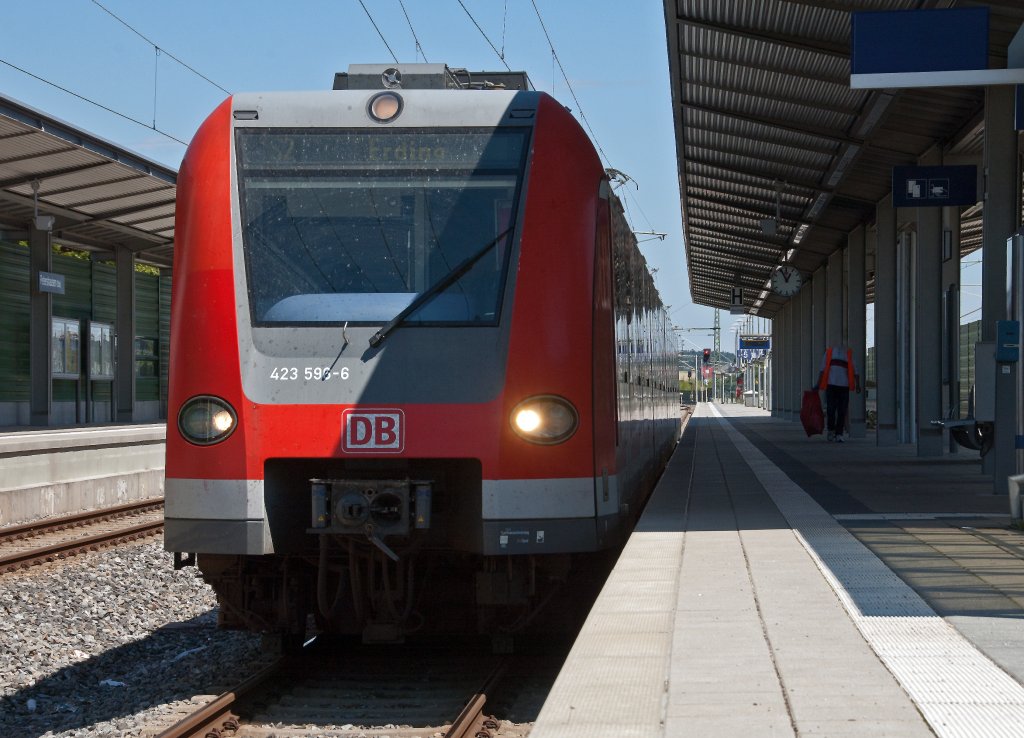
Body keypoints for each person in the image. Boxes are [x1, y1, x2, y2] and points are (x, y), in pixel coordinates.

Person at [816, 344, 860, 442]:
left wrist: (858, 385)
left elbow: (855, 370)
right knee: (831, 410)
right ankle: (831, 430)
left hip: (844, 386)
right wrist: (818, 384)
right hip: (831, 385)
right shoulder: (829, 352)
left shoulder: (848, 354)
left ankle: (839, 434)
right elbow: (822, 370)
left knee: (842, 411)